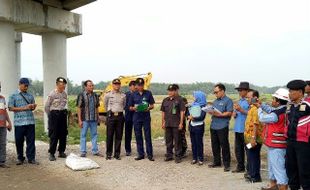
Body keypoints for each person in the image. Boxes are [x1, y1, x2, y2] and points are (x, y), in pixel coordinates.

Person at [258, 88, 289, 190]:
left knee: (279, 169)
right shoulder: (281, 110)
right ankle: (273, 185)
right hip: (274, 144)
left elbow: (262, 118)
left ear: (278, 101)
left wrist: (259, 109)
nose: (272, 101)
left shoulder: (276, 114)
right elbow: (270, 109)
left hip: (277, 146)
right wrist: (261, 105)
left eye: (274, 99)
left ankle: (282, 187)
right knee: (272, 167)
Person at [285, 80, 310, 190]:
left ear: (300, 92)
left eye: (291, 91)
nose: (289, 93)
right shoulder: (289, 106)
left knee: (304, 170)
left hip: (303, 143)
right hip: (290, 142)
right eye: (289, 91)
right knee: (291, 169)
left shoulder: (308, 104)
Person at [8, 78, 39, 165]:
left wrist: (33, 106)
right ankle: (20, 158)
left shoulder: (30, 96)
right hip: (19, 122)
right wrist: (24, 107)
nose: (26, 87)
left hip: (30, 121)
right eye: (25, 85)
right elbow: (10, 108)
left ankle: (31, 158)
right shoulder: (13, 95)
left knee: (31, 141)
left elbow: (32, 108)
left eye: (27, 86)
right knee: (19, 140)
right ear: (20, 84)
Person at [208, 83, 233, 172]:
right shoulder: (215, 101)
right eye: (214, 92)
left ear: (222, 91)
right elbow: (213, 111)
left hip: (222, 126)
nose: (215, 94)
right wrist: (210, 111)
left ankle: (227, 164)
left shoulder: (228, 101)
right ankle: (217, 162)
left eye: (216, 92)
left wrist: (221, 114)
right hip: (214, 125)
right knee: (214, 145)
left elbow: (229, 112)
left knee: (224, 145)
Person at [129, 78, 155, 161]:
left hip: (146, 117)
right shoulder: (133, 94)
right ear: (136, 85)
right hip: (137, 118)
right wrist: (134, 108)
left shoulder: (148, 93)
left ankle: (150, 154)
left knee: (147, 136)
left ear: (144, 85)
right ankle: (141, 154)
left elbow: (152, 105)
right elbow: (129, 107)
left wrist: (148, 108)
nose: (140, 86)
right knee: (138, 136)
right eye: (139, 85)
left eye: (142, 85)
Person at [77, 80, 102, 158]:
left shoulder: (95, 96)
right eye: (90, 85)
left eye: (92, 85)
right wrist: (79, 120)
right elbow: (78, 108)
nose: (92, 87)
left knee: (94, 135)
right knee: (83, 135)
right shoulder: (81, 95)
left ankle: (95, 151)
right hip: (85, 119)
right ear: (85, 87)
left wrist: (98, 117)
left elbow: (97, 107)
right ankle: (83, 152)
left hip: (94, 119)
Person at [45, 77, 68, 161]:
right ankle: (52, 153)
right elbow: (47, 106)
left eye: (64, 85)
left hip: (62, 114)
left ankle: (61, 151)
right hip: (54, 115)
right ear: (57, 85)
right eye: (62, 85)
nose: (63, 87)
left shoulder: (64, 94)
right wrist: (50, 116)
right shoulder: (52, 94)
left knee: (63, 134)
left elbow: (63, 104)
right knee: (54, 135)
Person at [161, 85, 185, 163]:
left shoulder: (180, 100)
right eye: (169, 91)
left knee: (177, 140)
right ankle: (169, 155)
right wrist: (163, 122)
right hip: (167, 123)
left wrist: (181, 123)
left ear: (175, 91)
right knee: (168, 140)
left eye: (172, 91)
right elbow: (163, 112)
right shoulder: (165, 100)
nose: (170, 92)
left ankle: (178, 156)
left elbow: (182, 112)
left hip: (176, 123)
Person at [104, 79, 126, 160]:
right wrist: (110, 112)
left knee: (119, 136)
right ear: (112, 85)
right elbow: (105, 105)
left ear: (120, 85)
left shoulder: (123, 95)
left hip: (120, 116)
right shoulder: (108, 95)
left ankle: (117, 154)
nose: (117, 85)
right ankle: (108, 153)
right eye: (115, 84)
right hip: (111, 116)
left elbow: (124, 105)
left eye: (118, 84)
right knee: (109, 135)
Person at [244, 90, 263, 183]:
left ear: (255, 98)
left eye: (249, 97)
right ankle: (252, 174)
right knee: (250, 156)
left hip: (254, 138)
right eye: (246, 97)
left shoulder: (255, 109)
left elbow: (255, 124)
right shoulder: (251, 108)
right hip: (249, 138)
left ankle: (255, 176)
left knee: (254, 157)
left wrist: (253, 138)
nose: (247, 99)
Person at [232, 82, 250, 173]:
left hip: (246, 130)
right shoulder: (239, 101)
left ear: (247, 91)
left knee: (248, 149)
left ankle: (250, 168)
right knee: (238, 149)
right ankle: (240, 166)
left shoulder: (250, 101)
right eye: (238, 90)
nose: (239, 92)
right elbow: (235, 113)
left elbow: (252, 114)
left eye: (240, 90)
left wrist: (241, 110)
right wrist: (234, 114)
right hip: (238, 128)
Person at [188, 91, 207, 165]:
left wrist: (194, 119)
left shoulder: (203, 106)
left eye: (195, 96)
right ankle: (194, 158)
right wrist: (188, 116)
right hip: (192, 126)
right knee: (193, 143)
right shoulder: (192, 105)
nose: (194, 97)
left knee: (199, 143)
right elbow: (188, 113)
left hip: (199, 126)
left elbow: (202, 116)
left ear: (199, 97)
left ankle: (200, 158)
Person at [173, 84, 189, 158]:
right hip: (173, 121)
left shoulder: (182, 99)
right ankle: (177, 150)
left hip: (180, 121)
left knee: (181, 136)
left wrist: (181, 122)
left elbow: (185, 111)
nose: (173, 92)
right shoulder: (170, 99)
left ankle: (183, 150)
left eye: (175, 90)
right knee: (175, 137)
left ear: (177, 90)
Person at [0, 82, 13, 168]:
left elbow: (5, 111)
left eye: (0, 87)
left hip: (3, 125)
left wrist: (9, 122)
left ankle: (2, 161)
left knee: (2, 143)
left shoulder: (2, 99)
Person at [124, 80, 136, 156]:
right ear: (130, 87)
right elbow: (123, 105)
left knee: (137, 133)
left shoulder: (138, 94)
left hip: (137, 115)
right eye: (133, 86)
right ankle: (128, 150)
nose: (135, 87)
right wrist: (129, 108)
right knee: (128, 133)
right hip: (128, 116)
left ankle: (140, 150)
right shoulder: (125, 95)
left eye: (136, 86)